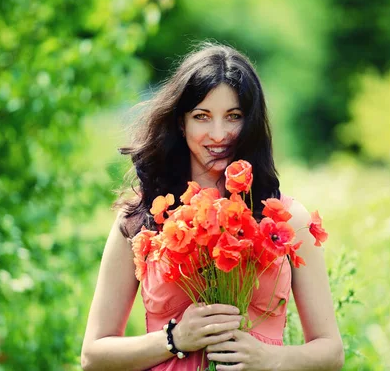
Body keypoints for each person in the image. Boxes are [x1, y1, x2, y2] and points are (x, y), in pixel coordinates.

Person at [80, 43, 344, 371]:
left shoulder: (285, 222)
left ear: (251, 122)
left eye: (233, 117)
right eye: (202, 116)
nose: (219, 135)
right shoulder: (141, 220)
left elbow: (331, 352)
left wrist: (270, 358)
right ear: (181, 122)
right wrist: (174, 338)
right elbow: (93, 356)